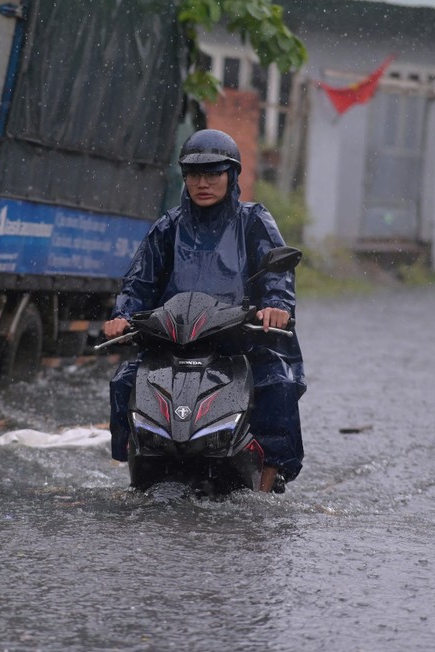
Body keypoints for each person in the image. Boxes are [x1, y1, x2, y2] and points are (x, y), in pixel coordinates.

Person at [103, 128, 306, 493]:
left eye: (213, 173)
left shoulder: (254, 220)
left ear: (232, 176)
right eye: (195, 174)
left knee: (279, 383)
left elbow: (279, 277)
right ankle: (136, 466)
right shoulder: (168, 226)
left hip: (240, 340)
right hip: (172, 340)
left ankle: (268, 481)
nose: (203, 183)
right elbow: (139, 282)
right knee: (125, 380)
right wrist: (123, 314)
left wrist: (276, 306)